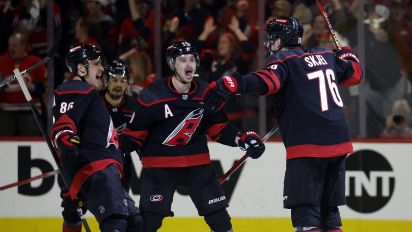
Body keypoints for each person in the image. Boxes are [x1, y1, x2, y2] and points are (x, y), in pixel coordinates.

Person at [203, 17, 363, 232]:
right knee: (329, 215)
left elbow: (269, 81)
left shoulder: (284, 59)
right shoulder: (326, 55)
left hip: (308, 146)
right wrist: (346, 52)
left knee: (306, 217)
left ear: (280, 40)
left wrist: (234, 83)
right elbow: (355, 74)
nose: (269, 44)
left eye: (271, 39)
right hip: (339, 143)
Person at [119, 40, 265, 232]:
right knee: (149, 223)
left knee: (221, 222)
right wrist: (107, 151)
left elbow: (219, 129)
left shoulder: (208, 93)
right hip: (159, 171)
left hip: (198, 167)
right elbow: (133, 137)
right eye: (182, 60)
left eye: (191, 59)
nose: (189, 65)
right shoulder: (152, 96)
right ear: (172, 64)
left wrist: (243, 138)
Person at [50, 43, 143, 232]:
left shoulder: (88, 93)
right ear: (82, 68)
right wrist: (66, 137)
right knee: (116, 220)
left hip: (104, 170)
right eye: (96, 64)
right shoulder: (76, 88)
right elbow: (64, 122)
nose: (102, 68)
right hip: (98, 170)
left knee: (134, 222)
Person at [102, 59, 139, 191]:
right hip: (97, 160)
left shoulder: (134, 106)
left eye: (123, 80)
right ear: (106, 81)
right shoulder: (94, 103)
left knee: (122, 203)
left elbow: (140, 136)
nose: (118, 84)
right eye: (114, 80)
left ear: (127, 84)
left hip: (123, 161)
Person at [0, 31, 46, 136]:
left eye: (14, 45)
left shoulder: (35, 62)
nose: (11, 48)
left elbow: (42, 88)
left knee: (32, 141)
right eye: (10, 45)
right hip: (6, 112)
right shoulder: (1, 62)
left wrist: (31, 87)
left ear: (23, 46)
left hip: (29, 111)